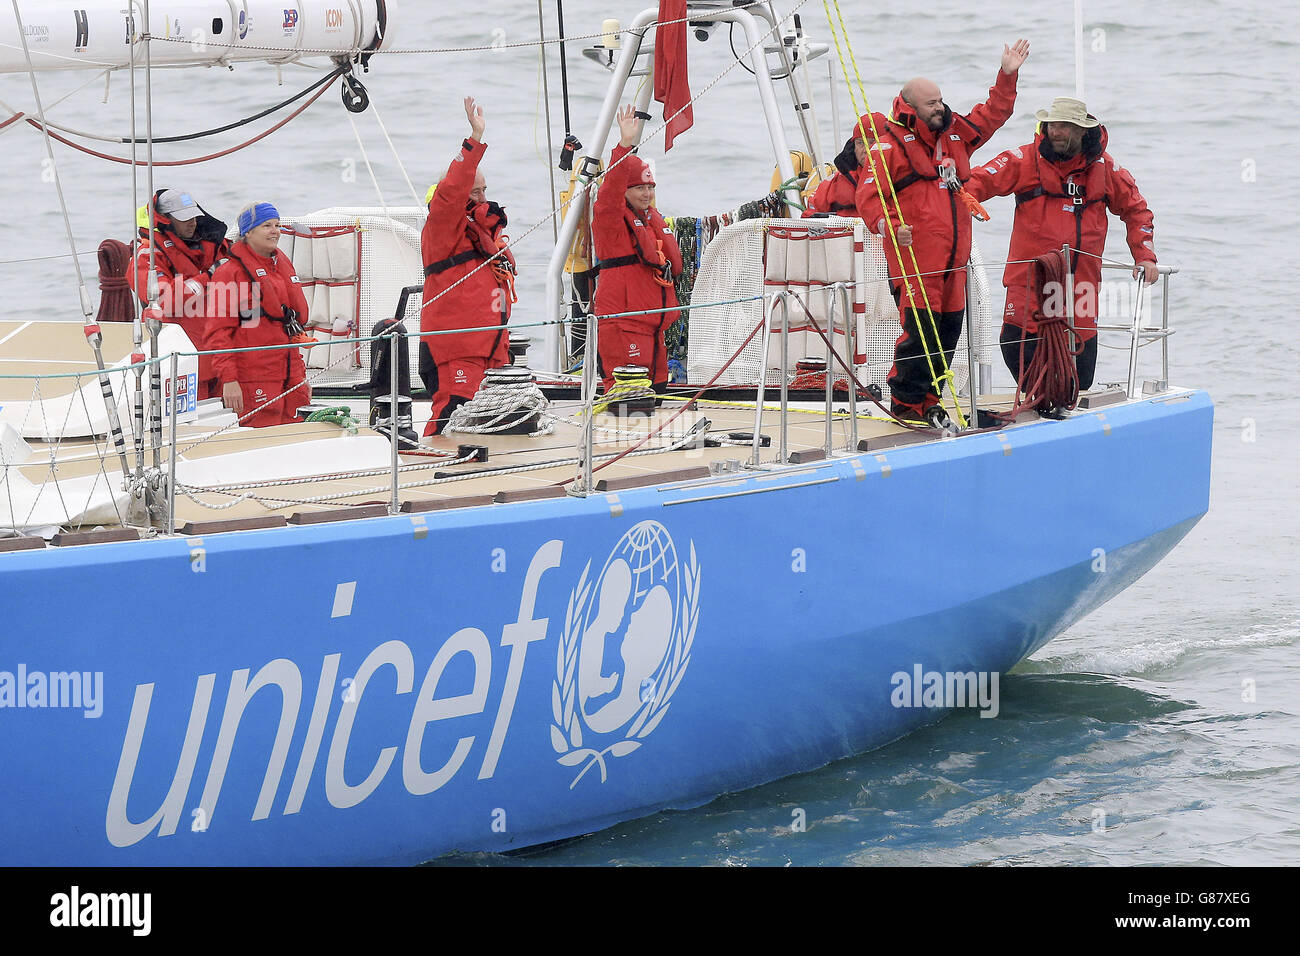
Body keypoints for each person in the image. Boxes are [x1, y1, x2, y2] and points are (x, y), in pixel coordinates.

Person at [855, 39, 1030, 424]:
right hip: (915, 260)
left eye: (940, 101)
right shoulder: (888, 148)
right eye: (932, 103)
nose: (940, 108)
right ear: (910, 107)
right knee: (921, 334)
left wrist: (1007, 73)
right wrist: (890, 226)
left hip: (955, 260)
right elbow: (869, 198)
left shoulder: (957, 135)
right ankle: (906, 402)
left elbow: (993, 114)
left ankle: (929, 400)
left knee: (948, 333)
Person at [966, 96, 1157, 391]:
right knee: (1014, 347)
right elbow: (978, 182)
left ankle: (1061, 408)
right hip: (1027, 278)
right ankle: (1039, 402)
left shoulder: (1106, 169)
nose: (1055, 131)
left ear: (1082, 131)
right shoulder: (1024, 159)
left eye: (1064, 127)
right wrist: (959, 203)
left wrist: (1144, 256)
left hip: (1080, 284)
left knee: (1081, 372)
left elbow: (1136, 210)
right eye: (1052, 125)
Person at [418, 96, 516, 436]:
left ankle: (477, 474)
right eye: (474, 192)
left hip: (489, 350)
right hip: (456, 350)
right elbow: (453, 189)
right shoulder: (444, 227)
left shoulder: (487, 234)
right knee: (451, 416)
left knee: (483, 425)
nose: (482, 199)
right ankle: (423, 472)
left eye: (484, 190)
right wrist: (474, 139)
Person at [591, 104, 683, 392]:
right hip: (624, 327)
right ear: (625, 191)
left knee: (655, 398)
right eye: (640, 188)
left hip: (654, 331)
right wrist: (624, 146)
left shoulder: (650, 219)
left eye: (650, 187)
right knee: (628, 402)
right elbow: (610, 190)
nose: (647, 194)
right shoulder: (610, 219)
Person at [205, 202, 312, 427]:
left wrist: (300, 376)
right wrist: (229, 380)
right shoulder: (231, 274)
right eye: (266, 225)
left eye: (277, 225)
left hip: (290, 373)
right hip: (253, 379)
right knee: (260, 436)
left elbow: (291, 323)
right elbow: (218, 333)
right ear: (248, 232)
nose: (275, 231)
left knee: (296, 434)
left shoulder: (281, 265)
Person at [128, 188, 230, 399]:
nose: (192, 222)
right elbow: (163, 300)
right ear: (165, 219)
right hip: (180, 361)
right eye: (184, 219)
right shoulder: (147, 257)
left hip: (218, 356)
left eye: (194, 216)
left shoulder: (210, 245)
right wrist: (209, 277)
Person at [803, 136, 867, 217]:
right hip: (843, 227)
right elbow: (809, 217)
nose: (866, 150)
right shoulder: (834, 183)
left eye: (872, 142)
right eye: (860, 143)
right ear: (853, 147)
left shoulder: (886, 179)